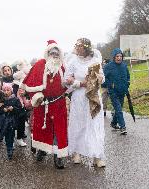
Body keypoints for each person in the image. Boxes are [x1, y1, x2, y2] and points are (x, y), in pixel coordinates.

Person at [21, 40, 68, 169]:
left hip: (59, 103)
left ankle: (58, 157)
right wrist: (36, 97)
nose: (54, 55)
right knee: (42, 128)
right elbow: (30, 83)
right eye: (52, 52)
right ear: (47, 53)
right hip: (43, 103)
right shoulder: (40, 65)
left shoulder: (63, 66)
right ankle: (42, 149)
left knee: (59, 130)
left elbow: (68, 85)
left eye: (56, 53)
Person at [65, 38, 106, 167]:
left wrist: (98, 78)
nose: (76, 48)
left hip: (93, 96)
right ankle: (76, 152)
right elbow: (66, 80)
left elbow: (103, 78)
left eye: (79, 46)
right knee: (78, 123)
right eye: (76, 45)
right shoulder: (73, 61)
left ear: (86, 48)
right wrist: (77, 82)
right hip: (78, 97)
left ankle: (97, 156)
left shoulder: (95, 61)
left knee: (94, 125)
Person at [102, 48, 130, 135]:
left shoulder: (124, 66)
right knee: (118, 109)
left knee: (119, 110)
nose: (119, 58)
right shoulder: (108, 66)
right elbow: (103, 78)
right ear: (114, 57)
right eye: (117, 56)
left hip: (122, 91)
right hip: (113, 92)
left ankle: (113, 123)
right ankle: (123, 127)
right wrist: (109, 84)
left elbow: (128, 77)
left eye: (120, 56)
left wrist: (127, 85)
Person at [0, 83, 21, 159]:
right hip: (3, 121)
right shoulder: (1, 99)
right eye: (4, 90)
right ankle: (9, 148)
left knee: (11, 134)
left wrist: (13, 108)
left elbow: (19, 110)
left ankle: (10, 148)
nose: (6, 92)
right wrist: (2, 109)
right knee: (7, 135)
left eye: (8, 90)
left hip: (12, 121)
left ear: (11, 91)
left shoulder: (15, 99)